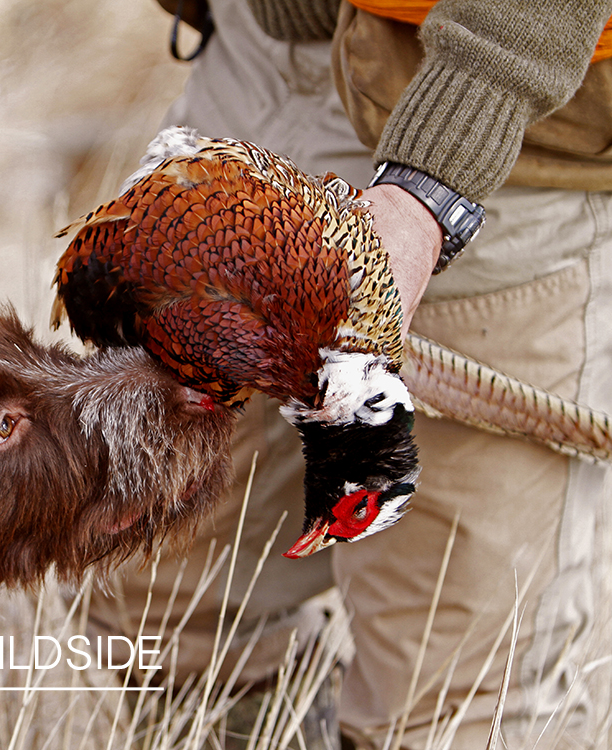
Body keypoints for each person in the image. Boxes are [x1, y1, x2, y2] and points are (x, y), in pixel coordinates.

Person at [85, 2, 612, 748]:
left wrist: (430, 193)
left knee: (454, 706)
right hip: (255, 75)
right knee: (155, 593)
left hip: (510, 128)